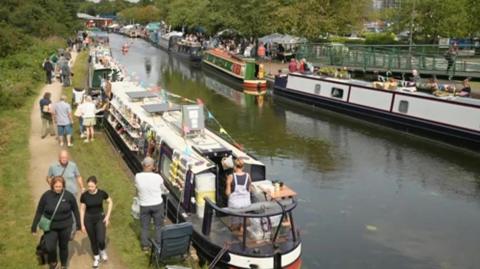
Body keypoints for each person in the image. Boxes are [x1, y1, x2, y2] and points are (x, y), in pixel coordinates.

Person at [32, 176, 81, 269]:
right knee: (50, 247)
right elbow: (39, 211)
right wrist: (34, 226)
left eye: (60, 186)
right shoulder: (46, 196)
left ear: (63, 186)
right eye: (56, 186)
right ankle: (53, 262)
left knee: (63, 246)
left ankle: (63, 265)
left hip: (65, 226)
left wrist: (79, 225)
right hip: (50, 227)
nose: (58, 188)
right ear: (52, 186)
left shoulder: (69, 196)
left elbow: (76, 210)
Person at [135, 157, 167, 251]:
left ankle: (145, 245)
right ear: (151, 166)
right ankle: (158, 245)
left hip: (144, 205)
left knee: (145, 226)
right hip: (157, 204)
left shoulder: (137, 176)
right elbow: (163, 189)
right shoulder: (158, 177)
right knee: (158, 226)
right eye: (153, 165)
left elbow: (137, 189)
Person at [80, 176, 113, 268]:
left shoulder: (102, 193)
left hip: (100, 218)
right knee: (93, 240)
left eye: (92, 186)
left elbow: (110, 202)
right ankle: (96, 258)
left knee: (101, 239)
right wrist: (82, 224)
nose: (90, 188)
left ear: (96, 184)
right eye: (88, 186)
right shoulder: (84, 195)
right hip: (88, 220)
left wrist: (107, 216)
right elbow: (82, 209)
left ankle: (102, 251)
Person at [225, 159, 252, 232]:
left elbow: (227, 192)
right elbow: (249, 190)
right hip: (246, 203)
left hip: (235, 204)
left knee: (233, 205)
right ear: (243, 167)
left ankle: (234, 225)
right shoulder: (248, 175)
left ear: (234, 167)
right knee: (242, 210)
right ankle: (242, 226)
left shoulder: (231, 176)